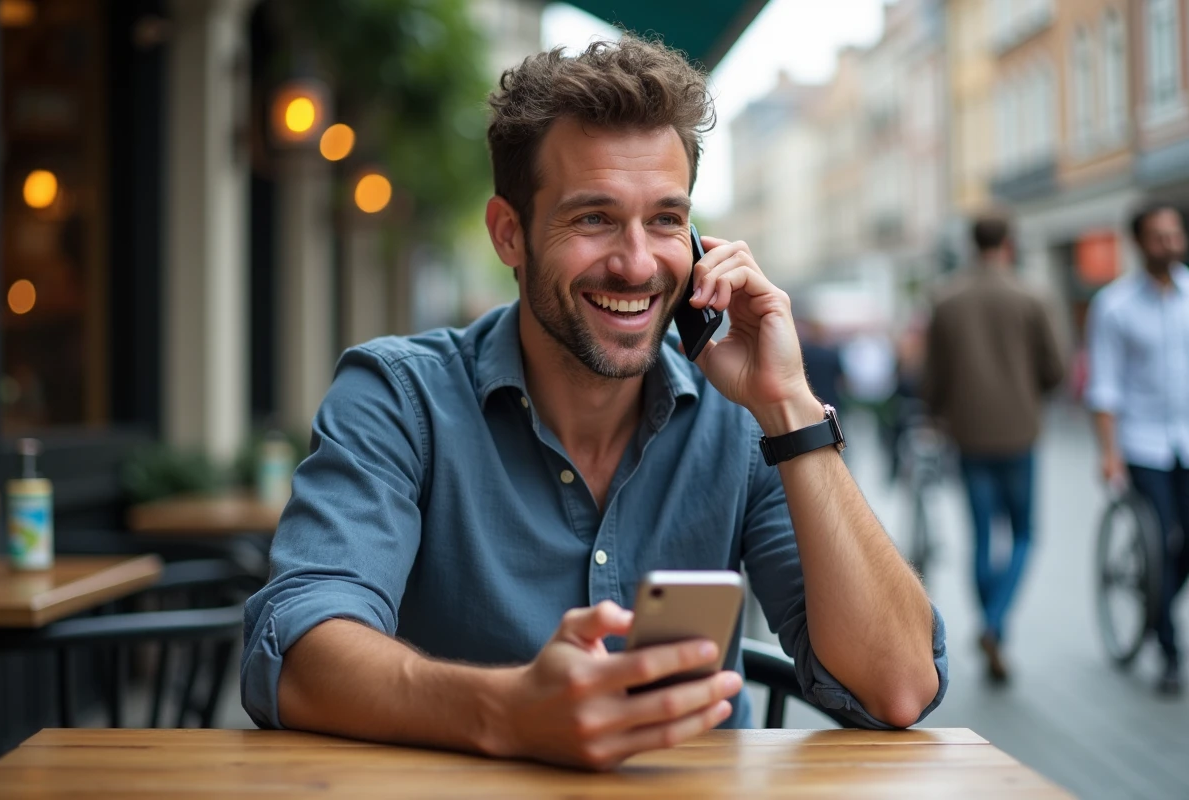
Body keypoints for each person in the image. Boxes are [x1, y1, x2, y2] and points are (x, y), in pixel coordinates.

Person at [241, 37, 947, 770]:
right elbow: (295, 651)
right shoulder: (399, 397)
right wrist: (506, 713)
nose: (637, 264)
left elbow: (897, 686)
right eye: (593, 219)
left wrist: (789, 406)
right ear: (509, 234)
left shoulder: (742, 420)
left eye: (666, 220)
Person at [921, 214, 1064, 684]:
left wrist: (937, 412)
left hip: (967, 433)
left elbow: (932, 377)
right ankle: (994, 623)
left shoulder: (945, 298)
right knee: (1024, 534)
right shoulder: (1032, 295)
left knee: (982, 535)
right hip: (1021, 431)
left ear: (971, 243)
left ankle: (991, 627)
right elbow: (1056, 369)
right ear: (1009, 243)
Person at [1086, 203, 1189, 696]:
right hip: (1143, 444)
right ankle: (1168, 650)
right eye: (1157, 236)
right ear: (1139, 242)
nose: (1168, 243)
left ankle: (1154, 600)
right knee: (1163, 542)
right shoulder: (1115, 306)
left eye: (1174, 234)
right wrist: (1109, 452)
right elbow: (1104, 386)